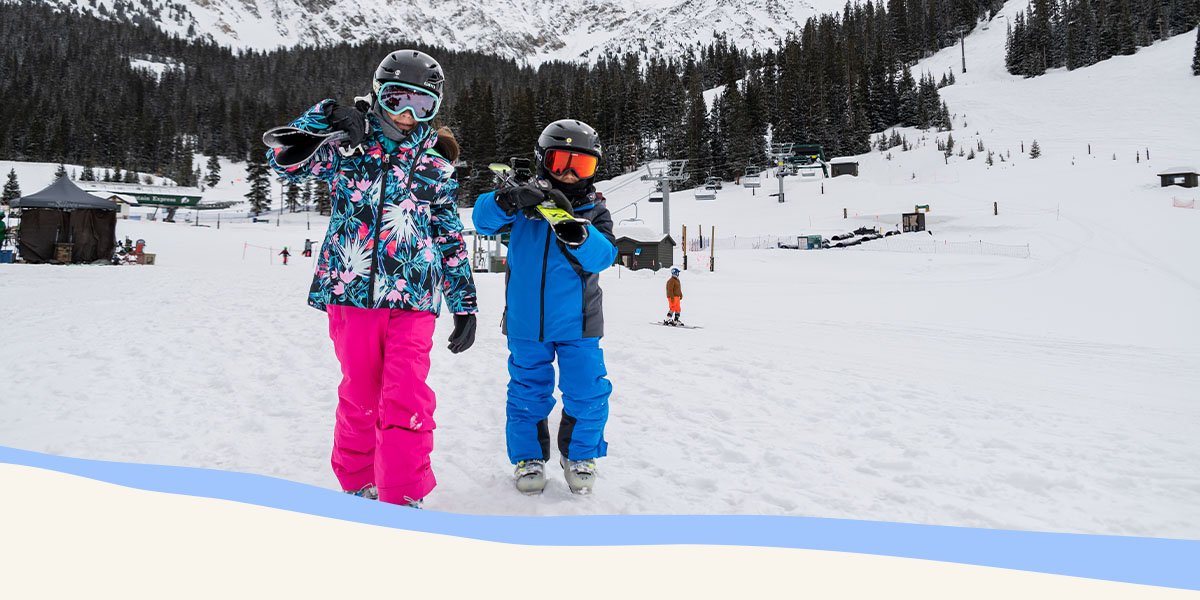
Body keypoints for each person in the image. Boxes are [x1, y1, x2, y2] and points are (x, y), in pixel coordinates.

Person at [266, 49, 478, 508]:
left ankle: (403, 496)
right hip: (350, 289)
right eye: (398, 99)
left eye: (423, 106)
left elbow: (449, 236)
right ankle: (357, 489)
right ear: (378, 95)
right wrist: (328, 117)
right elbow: (283, 159)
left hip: (414, 299)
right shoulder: (346, 150)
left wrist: (465, 305)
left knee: (407, 396)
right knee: (361, 395)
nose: (407, 115)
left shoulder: (436, 165)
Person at [472, 119, 618, 496]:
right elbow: (482, 219)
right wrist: (508, 199)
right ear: (542, 161)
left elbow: (604, 257)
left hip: (578, 324)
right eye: (561, 163)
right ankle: (528, 457)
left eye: (580, 165)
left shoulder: (594, 211)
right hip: (526, 324)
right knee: (527, 393)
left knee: (587, 391)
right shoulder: (522, 206)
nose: (570, 175)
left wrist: (580, 233)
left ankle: (580, 454)